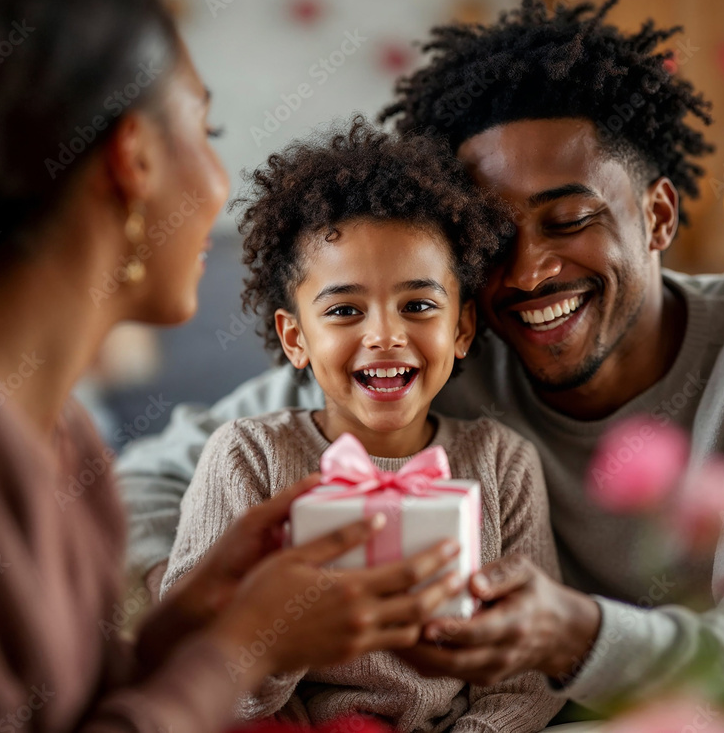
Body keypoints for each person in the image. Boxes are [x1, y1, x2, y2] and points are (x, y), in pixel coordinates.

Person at [117, 0, 724, 713]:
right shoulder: (431, 355)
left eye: (569, 219)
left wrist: (573, 635)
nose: (530, 270)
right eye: (493, 236)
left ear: (658, 214)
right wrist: (198, 616)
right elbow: (149, 476)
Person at [0, 0, 463, 730]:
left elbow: (58, 707)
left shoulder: (64, 434)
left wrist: (185, 632)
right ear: (135, 158)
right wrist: (244, 650)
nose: (222, 183)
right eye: (205, 131)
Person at [162, 119, 565, 732]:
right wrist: (280, 640)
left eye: (419, 306)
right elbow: (186, 669)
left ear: (460, 330)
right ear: (295, 337)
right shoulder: (248, 456)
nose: (383, 335)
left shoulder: (503, 463)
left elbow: (530, 675)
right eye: (345, 310)